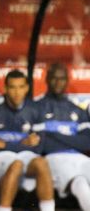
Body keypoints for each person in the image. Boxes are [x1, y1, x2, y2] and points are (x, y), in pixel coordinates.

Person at [0, 69, 55, 211]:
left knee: (41, 163)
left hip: (21, 157)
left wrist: (3, 144)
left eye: (21, 87)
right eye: (12, 87)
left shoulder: (35, 108)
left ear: (27, 88)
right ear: (5, 88)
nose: (17, 92)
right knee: (16, 165)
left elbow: (39, 148)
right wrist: (23, 144)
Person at [33, 63, 90, 211]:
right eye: (54, 78)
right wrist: (73, 141)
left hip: (80, 158)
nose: (58, 82)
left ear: (67, 80)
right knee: (80, 185)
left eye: (62, 78)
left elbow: (87, 143)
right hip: (52, 159)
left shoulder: (77, 110)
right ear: (47, 79)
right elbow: (42, 144)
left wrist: (53, 134)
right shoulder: (35, 107)